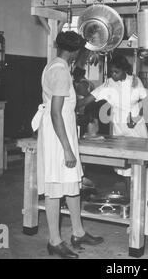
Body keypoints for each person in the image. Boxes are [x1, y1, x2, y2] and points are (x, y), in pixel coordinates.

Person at [31, 31, 103, 259]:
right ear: (74, 51)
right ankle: (54, 241)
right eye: (79, 52)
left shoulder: (53, 66)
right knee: (55, 188)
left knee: (72, 183)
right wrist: (67, 148)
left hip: (62, 132)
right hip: (57, 137)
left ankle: (78, 232)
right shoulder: (60, 72)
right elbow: (55, 114)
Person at [78, 53, 148, 191]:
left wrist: (135, 118)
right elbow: (89, 99)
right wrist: (70, 104)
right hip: (119, 128)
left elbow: (145, 102)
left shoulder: (135, 81)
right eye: (112, 72)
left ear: (124, 70)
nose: (113, 75)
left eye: (117, 72)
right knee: (125, 167)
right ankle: (130, 197)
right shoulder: (109, 84)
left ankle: (140, 196)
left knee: (139, 163)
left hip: (136, 126)